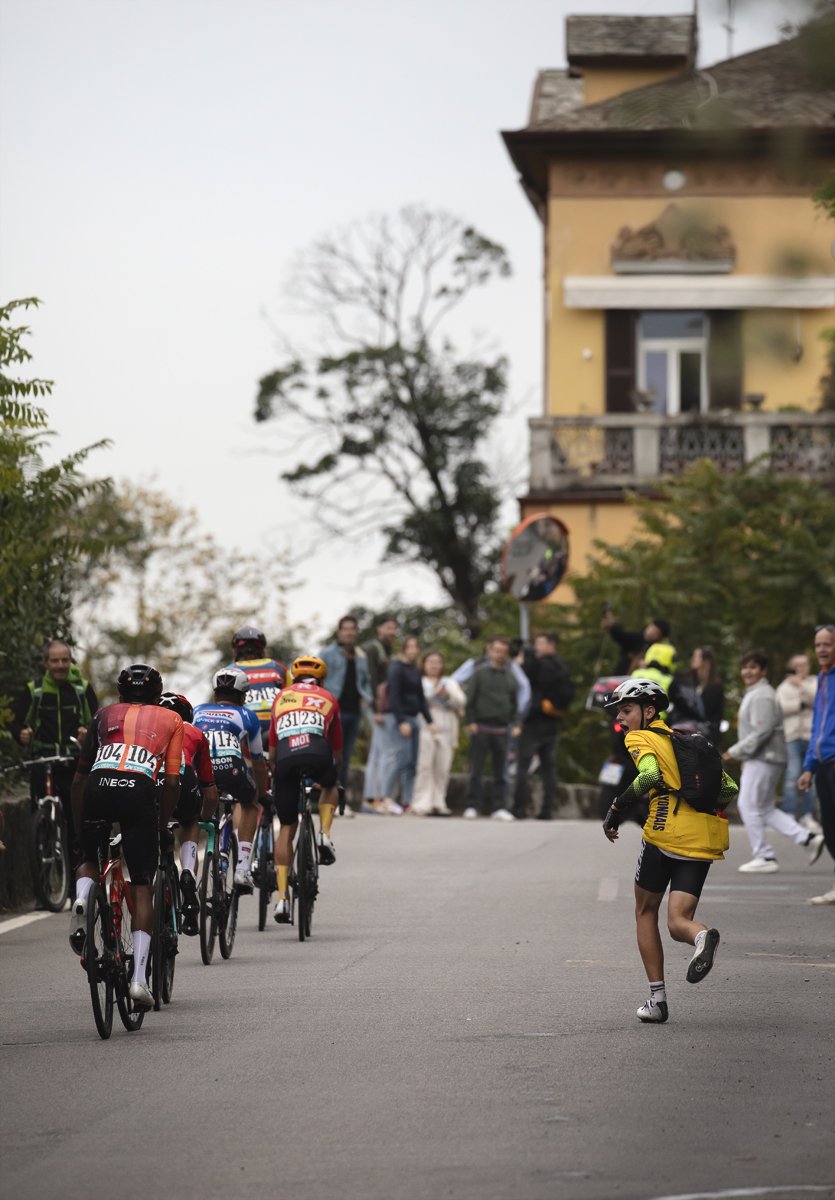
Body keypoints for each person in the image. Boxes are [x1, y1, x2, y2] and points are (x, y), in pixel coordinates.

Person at [602, 678, 738, 1024]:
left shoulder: (639, 737)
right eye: (620, 712)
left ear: (650, 711)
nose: (623, 719)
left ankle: (657, 1000)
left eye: (628, 710)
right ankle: (702, 937)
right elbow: (728, 789)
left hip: (663, 833)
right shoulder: (689, 741)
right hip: (702, 838)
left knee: (645, 911)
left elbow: (647, 776)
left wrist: (617, 808)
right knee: (680, 921)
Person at [69, 664, 183, 1010]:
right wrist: (161, 826)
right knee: (142, 885)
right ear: (158, 695)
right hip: (139, 789)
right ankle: (138, 981)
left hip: (98, 786)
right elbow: (174, 782)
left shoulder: (103, 713)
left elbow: (78, 779)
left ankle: (82, 901)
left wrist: (80, 829)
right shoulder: (172, 720)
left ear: (120, 695)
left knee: (90, 861)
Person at [11, 639, 99, 896]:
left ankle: (76, 888)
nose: (61, 665)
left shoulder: (82, 689)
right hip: (43, 762)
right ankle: (43, 892)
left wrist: (87, 734)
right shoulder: (34, 690)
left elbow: (98, 723)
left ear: (70, 661)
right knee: (40, 828)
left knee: (76, 825)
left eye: (65, 660)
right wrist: (22, 734)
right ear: (45, 663)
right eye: (55, 661)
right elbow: (16, 724)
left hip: (74, 764)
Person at [724, 650, 824, 874]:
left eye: (753, 667)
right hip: (762, 757)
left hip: (765, 757)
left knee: (747, 805)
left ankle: (764, 855)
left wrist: (735, 752)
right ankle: (807, 838)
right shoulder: (757, 693)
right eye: (745, 667)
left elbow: (762, 732)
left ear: (763, 670)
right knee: (764, 807)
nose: (747, 672)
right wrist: (745, 755)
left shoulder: (762, 695)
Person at [268, 655, 343, 923]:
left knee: (287, 826)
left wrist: (278, 775)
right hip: (318, 755)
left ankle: (281, 899)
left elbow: (273, 750)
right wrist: (332, 774)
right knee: (331, 784)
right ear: (321, 679)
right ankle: (323, 832)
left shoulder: (281, 698)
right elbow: (336, 748)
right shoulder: (328, 697)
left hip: (286, 758)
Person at [192, 667, 268, 893]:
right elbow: (257, 762)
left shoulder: (196, 711)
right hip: (231, 769)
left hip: (200, 770)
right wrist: (261, 795)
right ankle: (243, 867)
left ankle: (188, 877)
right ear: (244, 697)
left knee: (190, 820)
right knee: (249, 804)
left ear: (215, 695)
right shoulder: (247, 716)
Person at [158, 692, 219, 936]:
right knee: (189, 819)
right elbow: (211, 793)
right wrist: (203, 816)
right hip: (183, 781)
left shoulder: (147, 725)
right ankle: (188, 872)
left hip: (150, 783)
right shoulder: (194, 732)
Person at [513, 632, 574, 821]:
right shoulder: (562, 667)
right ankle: (547, 810)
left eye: (540, 643)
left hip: (535, 720)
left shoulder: (539, 664)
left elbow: (523, 679)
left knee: (523, 764)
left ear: (551, 645)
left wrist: (522, 661)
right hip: (554, 721)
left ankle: (519, 809)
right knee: (549, 767)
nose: (536, 647)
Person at [462, 636, 520, 821]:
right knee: (476, 769)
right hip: (480, 727)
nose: (500, 654)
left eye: (504, 651)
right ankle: (472, 805)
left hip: (502, 729)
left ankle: (499, 807)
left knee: (501, 771)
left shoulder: (510, 678)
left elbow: (514, 705)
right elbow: (469, 700)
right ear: (489, 651)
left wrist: (517, 723)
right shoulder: (479, 674)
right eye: (497, 650)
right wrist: (470, 721)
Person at [798, 624, 835, 904]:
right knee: (830, 827)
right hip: (822, 762)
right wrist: (809, 766)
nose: (822, 649)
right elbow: (817, 724)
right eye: (818, 644)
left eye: (827, 644)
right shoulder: (822, 678)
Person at [319, 615, 372, 791]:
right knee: (328, 753)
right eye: (346, 629)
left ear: (356, 632)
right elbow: (316, 678)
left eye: (352, 629)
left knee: (345, 756)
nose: (349, 632)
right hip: (333, 710)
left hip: (354, 711)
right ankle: (323, 794)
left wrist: (367, 697)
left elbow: (366, 681)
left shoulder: (361, 655)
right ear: (339, 631)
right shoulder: (327, 653)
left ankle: (339, 795)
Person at [382, 635, 434, 813]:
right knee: (401, 759)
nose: (413, 650)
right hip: (400, 718)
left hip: (414, 717)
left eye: (415, 646)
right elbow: (394, 695)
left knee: (412, 763)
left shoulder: (415, 670)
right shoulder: (396, 667)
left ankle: (407, 802)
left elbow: (420, 697)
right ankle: (386, 798)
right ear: (404, 649)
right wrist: (401, 720)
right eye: (410, 647)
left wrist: (429, 720)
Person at [410, 651, 466, 816]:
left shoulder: (449, 682)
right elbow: (415, 700)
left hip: (447, 727)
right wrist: (432, 695)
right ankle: (421, 802)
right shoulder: (419, 681)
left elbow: (461, 701)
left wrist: (447, 696)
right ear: (424, 664)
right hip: (426, 725)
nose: (434, 665)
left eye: (437, 662)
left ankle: (438, 802)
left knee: (442, 768)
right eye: (431, 662)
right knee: (425, 765)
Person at [776, 654, 819, 829]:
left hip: (811, 736)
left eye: (803, 665)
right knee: (792, 775)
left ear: (809, 666)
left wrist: (801, 686)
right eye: (797, 665)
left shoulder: (815, 682)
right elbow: (780, 708)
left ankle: (807, 815)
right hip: (791, 736)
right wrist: (801, 705)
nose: (800, 669)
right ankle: (788, 814)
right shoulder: (784, 687)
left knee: (812, 778)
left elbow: (818, 701)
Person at [361, 614, 398, 811]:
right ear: (379, 629)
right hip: (375, 707)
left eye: (394, 628)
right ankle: (378, 799)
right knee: (386, 753)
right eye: (388, 628)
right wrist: (376, 709)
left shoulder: (387, 648)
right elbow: (372, 679)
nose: (392, 632)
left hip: (379, 706)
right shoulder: (373, 648)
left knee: (377, 753)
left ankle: (370, 799)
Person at [225, 626, 288, 739]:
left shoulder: (228, 672)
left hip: (247, 734)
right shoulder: (278, 668)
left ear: (235, 652)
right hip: (280, 730)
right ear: (262, 652)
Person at [668, 647, 725, 745]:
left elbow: (717, 714)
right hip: (679, 728)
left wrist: (714, 736)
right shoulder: (682, 681)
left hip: (703, 734)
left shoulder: (716, 687)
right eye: (693, 656)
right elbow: (675, 700)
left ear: (706, 660)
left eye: (697, 656)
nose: (693, 659)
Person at [602, 611, 677, 679]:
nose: (649, 632)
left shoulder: (660, 650)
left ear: (661, 637)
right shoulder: (637, 638)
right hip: (620, 678)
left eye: (655, 632)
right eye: (650, 628)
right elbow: (620, 635)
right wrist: (611, 625)